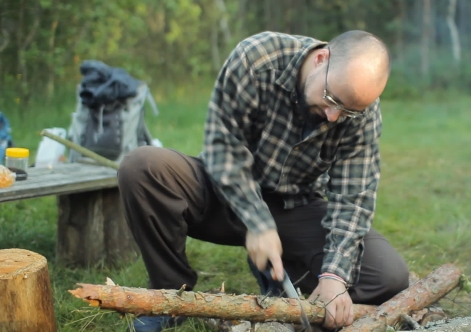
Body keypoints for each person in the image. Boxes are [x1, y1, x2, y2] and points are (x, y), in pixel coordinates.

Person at [119, 30, 409, 332]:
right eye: (331, 99)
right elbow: (224, 148)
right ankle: (169, 296)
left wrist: (334, 277)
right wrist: (257, 222)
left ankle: (282, 274)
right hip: (224, 191)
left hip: (294, 206)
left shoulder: (360, 109)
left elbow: (354, 195)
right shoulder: (258, 57)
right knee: (142, 166)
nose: (334, 116)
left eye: (347, 110)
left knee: (389, 277)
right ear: (322, 59)